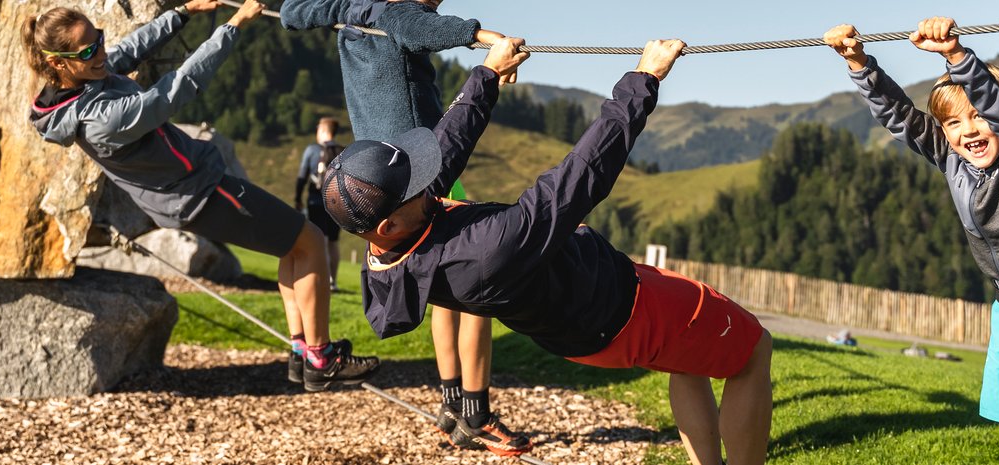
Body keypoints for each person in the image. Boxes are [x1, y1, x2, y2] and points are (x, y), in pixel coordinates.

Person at [323, 38, 774, 465]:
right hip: (624, 309)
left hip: (584, 320)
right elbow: (579, 178)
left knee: (689, 361)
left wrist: (487, 75)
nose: (430, 185)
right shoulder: (482, 253)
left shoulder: (393, 239)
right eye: (417, 186)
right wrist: (642, 80)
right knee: (754, 351)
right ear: (389, 224)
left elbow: (446, 149)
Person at [22, 0, 378, 392]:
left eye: (99, 39)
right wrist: (234, 26)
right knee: (308, 240)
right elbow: (175, 91)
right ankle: (321, 358)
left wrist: (184, 12)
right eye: (89, 49)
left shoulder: (81, 83)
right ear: (58, 63)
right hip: (199, 194)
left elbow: (131, 49)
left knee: (291, 247)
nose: (102, 52)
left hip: (193, 187)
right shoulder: (98, 119)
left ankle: (302, 354)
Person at [826, 18, 999, 465]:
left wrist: (955, 56)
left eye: (979, 115)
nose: (970, 130)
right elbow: (899, 117)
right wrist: (858, 63)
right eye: (955, 123)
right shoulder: (952, 158)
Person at [279, 0, 526, 453]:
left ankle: (453, 404)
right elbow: (419, 30)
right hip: (425, 170)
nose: (436, 3)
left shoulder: (348, 9)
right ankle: (476, 413)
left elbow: (294, 12)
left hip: (382, 178)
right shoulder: (390, 12)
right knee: (477, 291)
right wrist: (492, 43)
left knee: (444, 289)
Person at [296, 117, 347, 292]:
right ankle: (333, 282)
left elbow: (302, 177)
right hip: (337, 204)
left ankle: (322, 280)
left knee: (320, 240)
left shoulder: (312, 150)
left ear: (323, 130)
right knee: (333, 241)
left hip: (316, 201)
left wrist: (297, 198)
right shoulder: (343, 151)